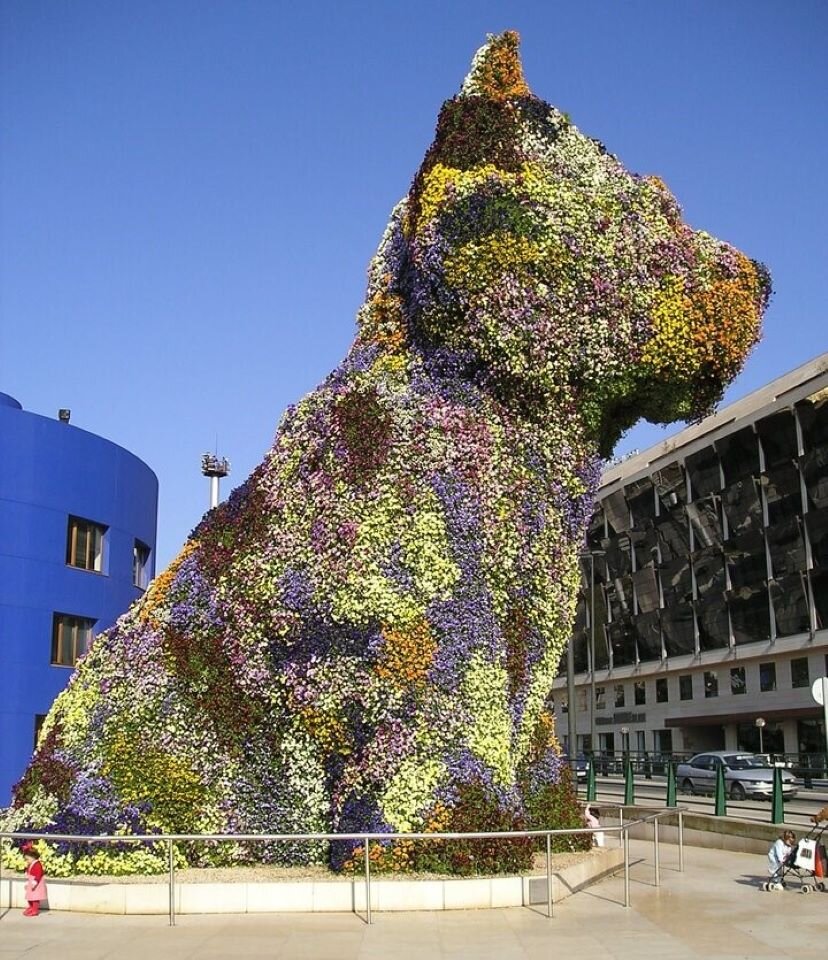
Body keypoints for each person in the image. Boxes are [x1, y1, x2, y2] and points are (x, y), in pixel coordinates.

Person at [21, 842, 47, 917]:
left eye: (27, 859)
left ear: (33, 857)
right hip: (31, 881)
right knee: (30, 896)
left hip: (36, 883)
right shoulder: (31, 864)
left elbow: (38, 874)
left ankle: (35, 909)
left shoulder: (37, 864)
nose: (27, 861)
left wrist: (35, 882)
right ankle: (31, 907)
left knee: (35, 897)